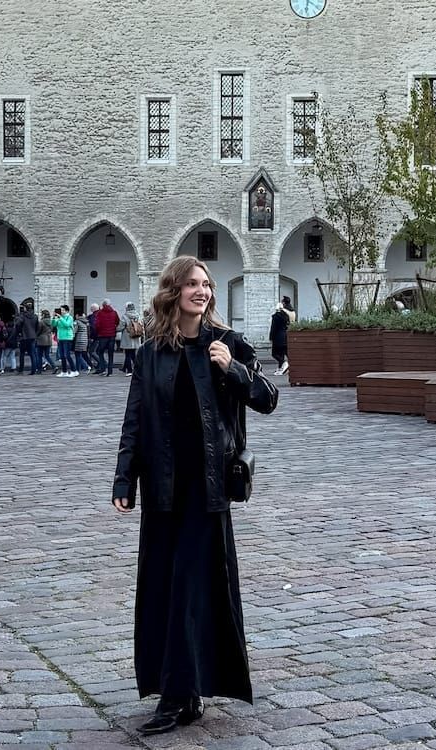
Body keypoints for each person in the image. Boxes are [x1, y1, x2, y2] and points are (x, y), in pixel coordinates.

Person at [112, 256, 279, 737]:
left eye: (206, 284)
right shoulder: (150, 354)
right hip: (164, 489)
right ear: (173, 292)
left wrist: (235, 372)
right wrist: (124, 480)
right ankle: (182, 690)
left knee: (192, 588)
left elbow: (268, 399)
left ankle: (180, 695)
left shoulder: (226, 344)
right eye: (192, 284)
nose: (201, 292)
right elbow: (134, 422)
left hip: (208, 492)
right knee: (164, 589)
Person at [93, 298, 121, 376]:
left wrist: (98, 331)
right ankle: (110, 371)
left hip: (102, 336)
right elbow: (117, 322)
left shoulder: (100, 313)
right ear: (110, 305)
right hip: (112, 335)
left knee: (100, 352)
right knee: (111, 353)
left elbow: (97, 325)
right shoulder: (114, 313)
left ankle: (103, 368)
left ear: (103, 305)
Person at [119, 301, 143, 376]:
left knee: (127, 354)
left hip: (127, 337)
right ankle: (138, 369)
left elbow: (121, 326)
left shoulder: (125, 316)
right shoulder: (138, 315)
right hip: (136, 336)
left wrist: (116, 329)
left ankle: (129, 370)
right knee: (133, 354)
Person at [53, 307, 77, 377]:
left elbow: (67, 325)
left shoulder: (69, 317)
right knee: (62, 356)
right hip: (60, 338)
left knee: (67, 355)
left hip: (67, 337)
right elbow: (53, 325)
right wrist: (54, 318)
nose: (61, 311)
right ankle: (64, 371)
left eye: (63, 310)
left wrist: (60, 318)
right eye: (61, 310)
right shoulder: (60, 318)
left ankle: (74, 370)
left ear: (66, 311)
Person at [269, 302, 292, 375]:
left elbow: (273, 328)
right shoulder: (286, 316)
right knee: (283, 353)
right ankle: (280, 368)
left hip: (277, 337)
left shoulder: (275, 317)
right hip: (285, 336)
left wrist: (271, 337)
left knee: (275, 353)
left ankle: (283, 363)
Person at [17, 304, 40, 374]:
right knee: (32, 354)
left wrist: (20, 332)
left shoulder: (22, 316)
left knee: (22, 354)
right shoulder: (35, 316)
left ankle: (21, 370)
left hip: (24, 337)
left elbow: (18, 324)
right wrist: (34, 333)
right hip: (32, 337)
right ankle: (34, 370)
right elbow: (37, 326)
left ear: (25, 308)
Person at [35, 309, 55, 374]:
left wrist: (36, 336)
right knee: (47, 355)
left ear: (43, 315)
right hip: (49, 340)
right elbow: (52, 329)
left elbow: (38, 331)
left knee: (39, 355)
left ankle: (39, 369)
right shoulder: (51, 322)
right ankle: (54, 367)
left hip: (41, 340)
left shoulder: (41, 322)